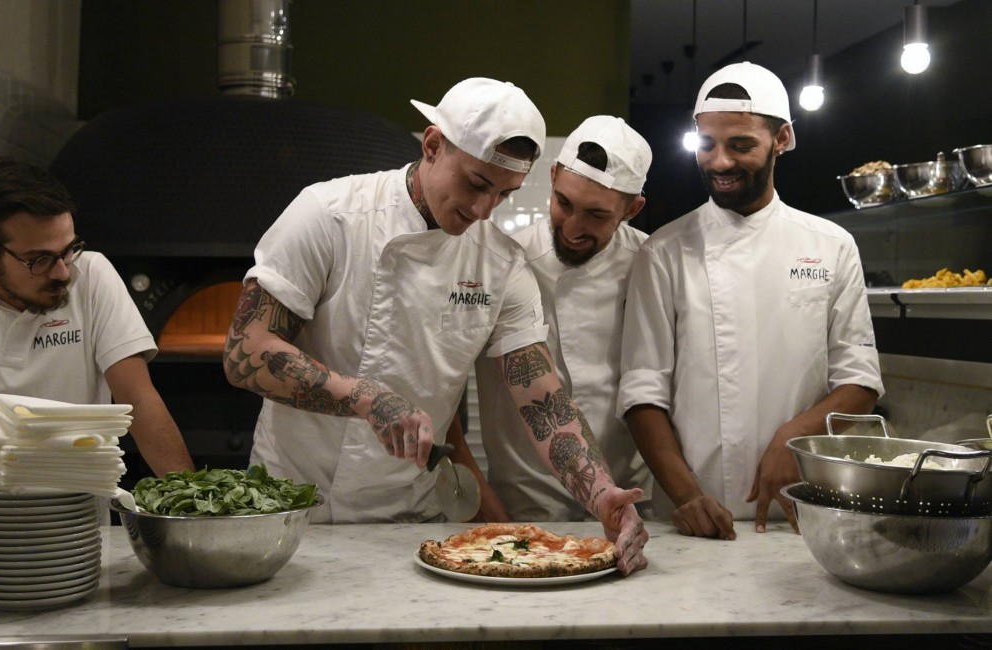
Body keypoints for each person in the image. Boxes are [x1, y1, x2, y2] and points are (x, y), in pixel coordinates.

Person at [223, 77, 647, 574]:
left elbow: (543, 400)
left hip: (412, 518)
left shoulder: (501, 264)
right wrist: (369, 399)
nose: (484, 210)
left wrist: (602, 494)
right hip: (287, 505)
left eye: (505, 195)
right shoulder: (330, 215)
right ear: (432, 145)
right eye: (477, 184)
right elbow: (243, 353)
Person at [618, 62, 884, 540]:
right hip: (692, 517)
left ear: (781, 139)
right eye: (707, 144)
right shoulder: (664, 251)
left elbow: (860, 383)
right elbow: (642, 394)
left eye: (741, 145)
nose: (719, 162)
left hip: (803, 514)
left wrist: (794, 436)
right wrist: (687, 496)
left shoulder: (830, 245)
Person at [0, 158, 195, 477]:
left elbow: (138, 398)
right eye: (39, 260)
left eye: (68, 249)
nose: (63, 271)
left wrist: (189, 501)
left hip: (74, 509)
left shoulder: (91, 275)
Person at [472, 115, 654, 522]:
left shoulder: (653, 264)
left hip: (630, 497)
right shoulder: (503, 262)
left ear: (633, 208)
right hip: (526, 502)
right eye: (563, 203)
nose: (572, 227)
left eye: (596, 215)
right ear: (552, 177)